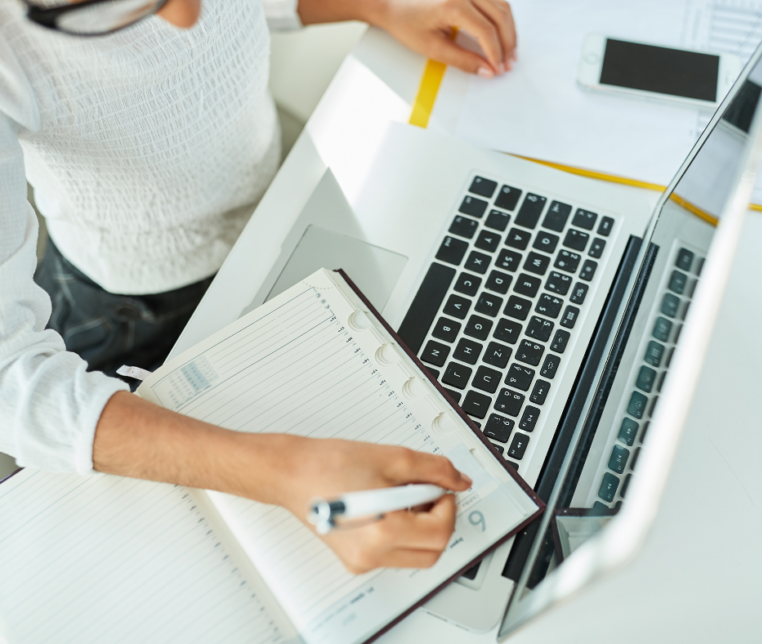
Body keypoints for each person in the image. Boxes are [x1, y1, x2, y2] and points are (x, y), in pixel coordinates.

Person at [0, 0, 516, 574]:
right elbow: (9, 386)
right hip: (132, 305)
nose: (188, 20)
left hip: (280, 197)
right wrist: (282, 471)